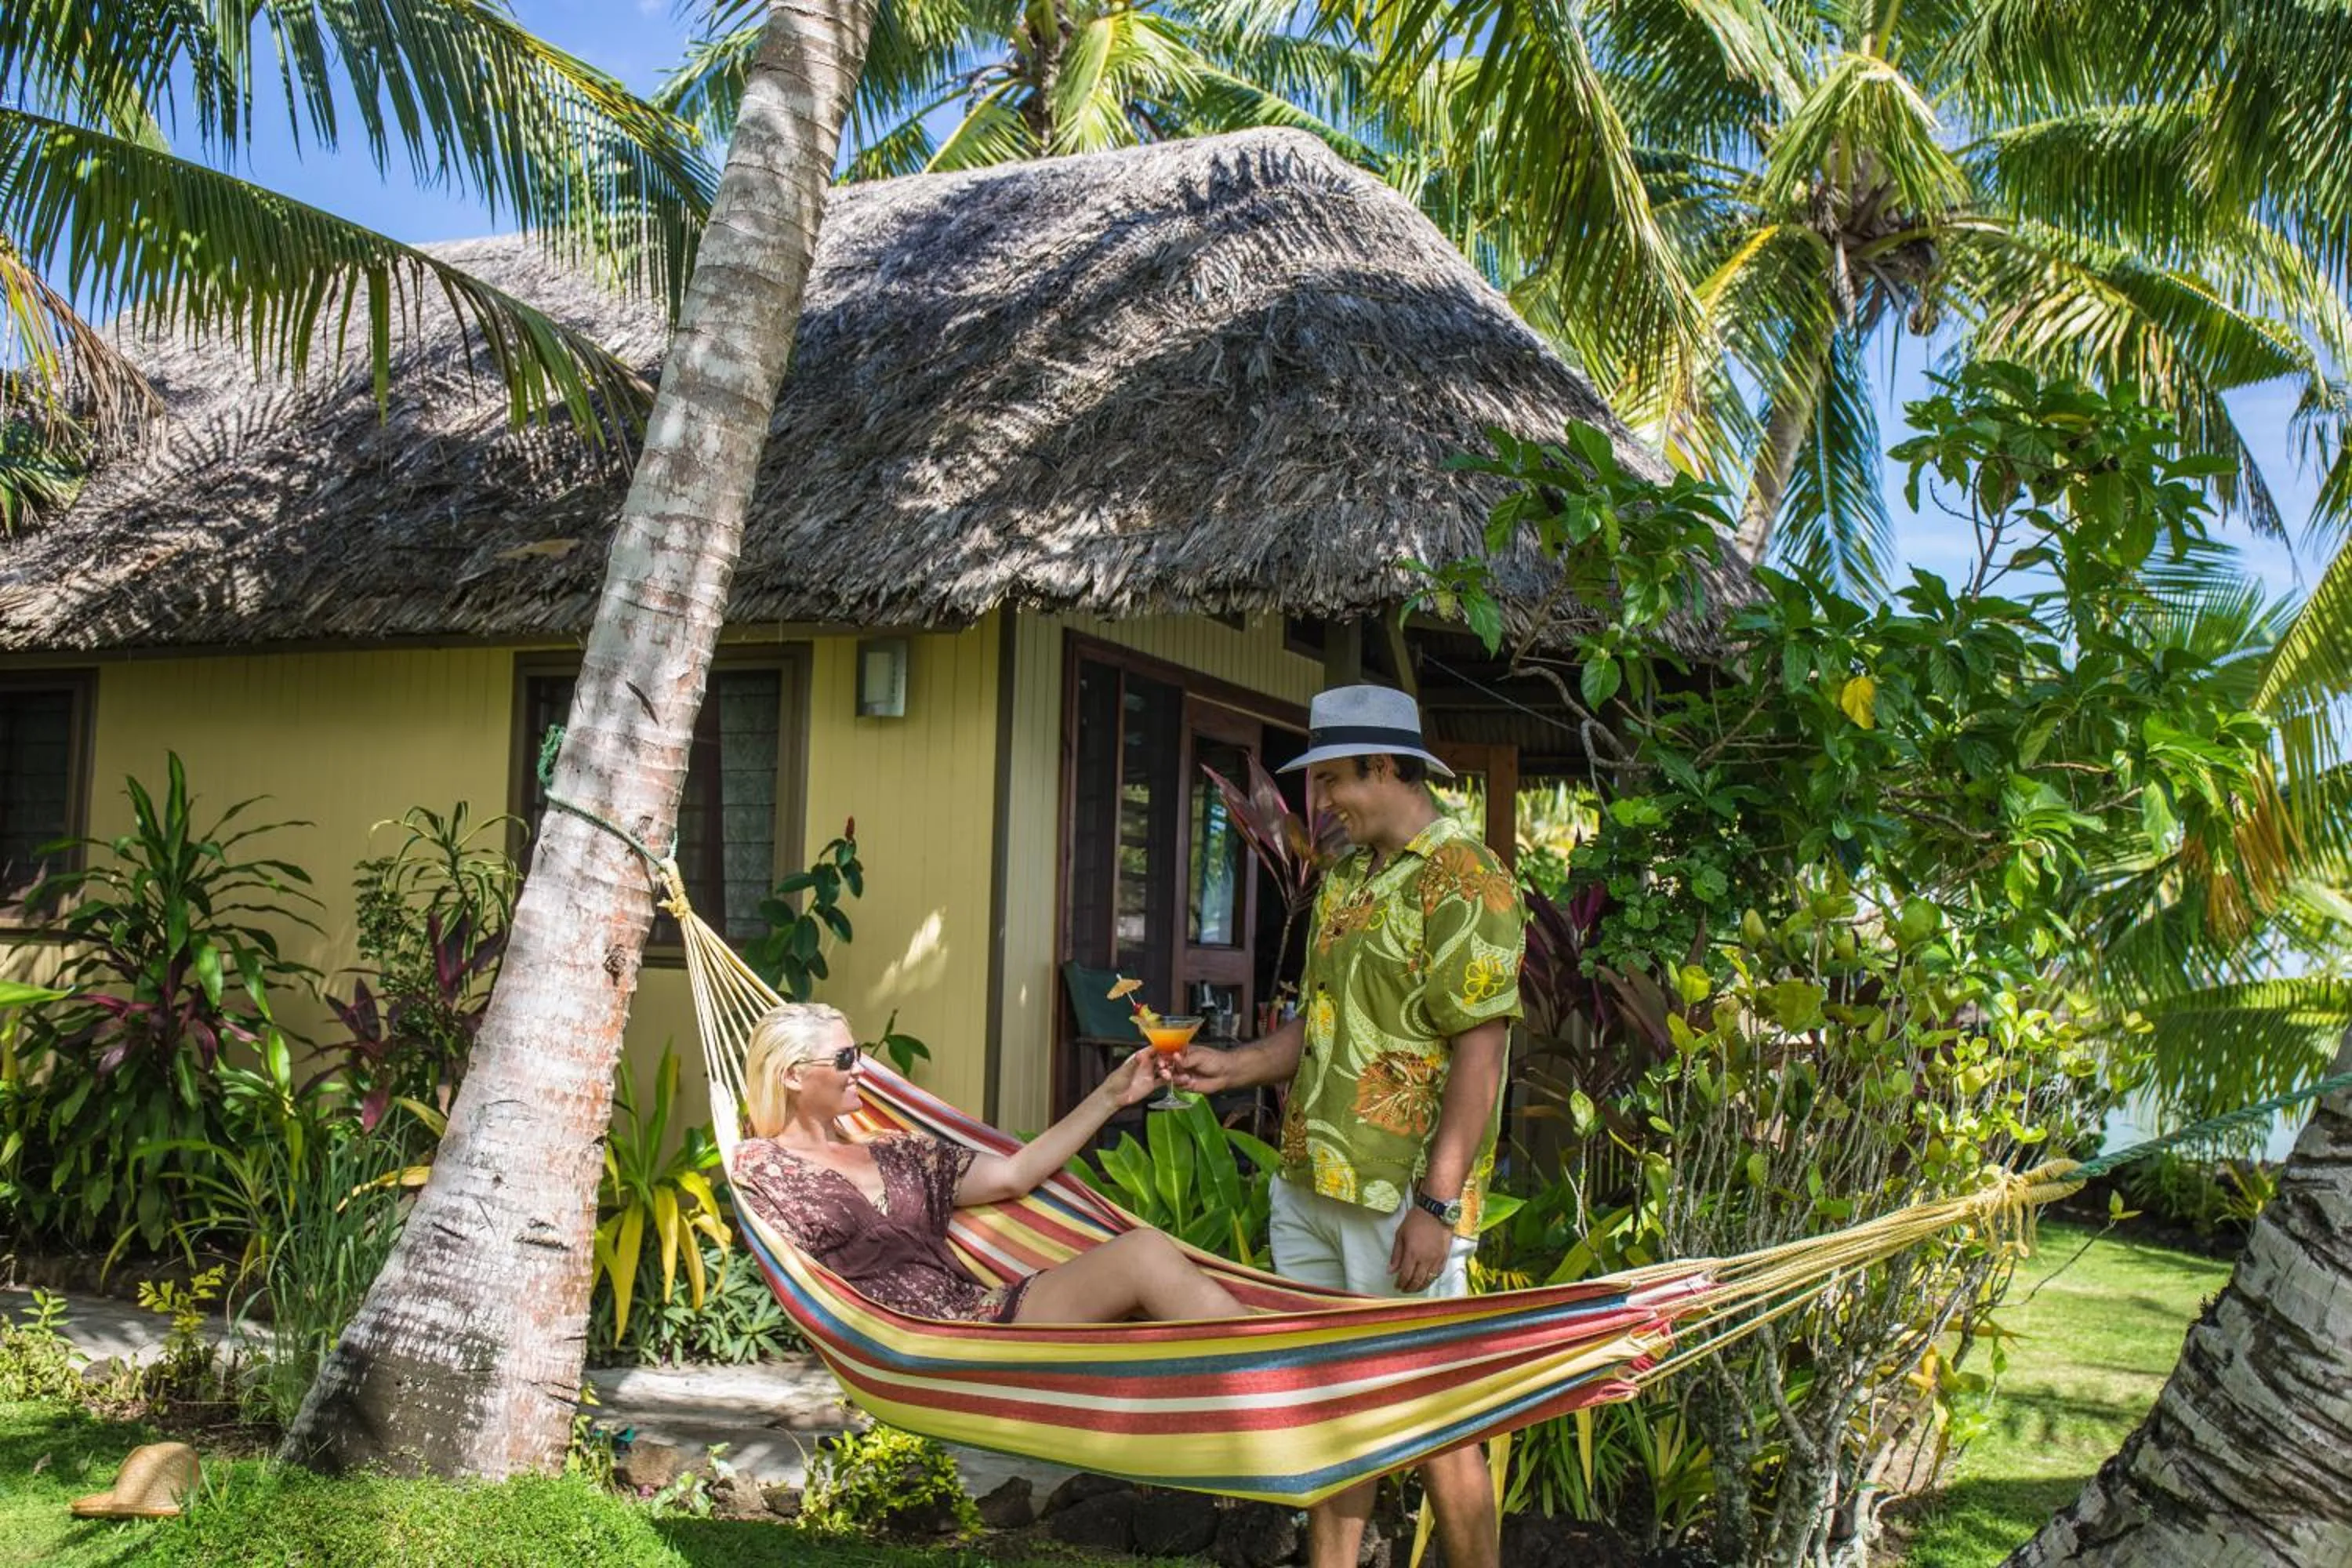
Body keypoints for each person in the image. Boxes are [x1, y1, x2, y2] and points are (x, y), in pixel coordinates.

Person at [1173, 683, 1526, 1568]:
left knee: (1435, 1410)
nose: (1319, 802)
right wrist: (1235, 1065)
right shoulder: (1347, 876)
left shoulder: (1468, 878)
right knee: (1336, 1401)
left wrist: (1436, 1207)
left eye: (1332, 779)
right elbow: (1323, 1025)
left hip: (1397, 1194)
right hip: (1310, 1180)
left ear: (1383, 766)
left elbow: (1480, 1054)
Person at [729, 1000, 1249, 1325]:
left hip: (980, 1318)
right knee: (1143, 1258)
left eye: (859, 1053)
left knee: (1145, 1251)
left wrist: (1113, 1095)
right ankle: (1280, 1370)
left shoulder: (897, 1150)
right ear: (793, 1077)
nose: (862, 1070)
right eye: (845, 1060)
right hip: (913, 1343)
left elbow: (1013, 1174)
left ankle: (1282, 1372)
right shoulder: (764, 1169)